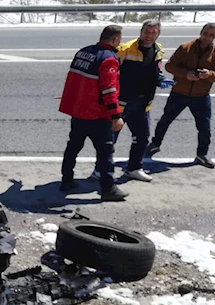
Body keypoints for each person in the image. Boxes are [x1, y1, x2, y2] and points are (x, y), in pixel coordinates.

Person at [59, 24, 128, 202]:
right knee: (105, 152)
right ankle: (108, 189)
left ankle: (66, 180)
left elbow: (75, 80)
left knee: (73, 146)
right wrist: (116, 116)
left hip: (78, 110)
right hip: (97, 114)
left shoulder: (83, 52)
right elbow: (109, 90)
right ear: (115, 39)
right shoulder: (109, 59)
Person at [145, 22, 215, 168]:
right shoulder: (185, 48)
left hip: (201, 96)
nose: (207, 37)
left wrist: (209, 74)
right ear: (201, 32)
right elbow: (169, 65)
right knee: (165, 120)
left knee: (204, 127)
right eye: (205, 33)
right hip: (179, 93)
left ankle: (201, 155)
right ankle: (155, 144)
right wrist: (186, 74)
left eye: (211, 35)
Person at [112, 19, 165, 182]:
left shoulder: (158, 49)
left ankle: (134, 168)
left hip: (143, 103)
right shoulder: (125, 49)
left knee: (141, 138)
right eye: (147, 31)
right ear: (141, 31)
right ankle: (100, 171)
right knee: (110, 138)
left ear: (158, 33)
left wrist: (161, 80)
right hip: (122, 103)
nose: (149, 35)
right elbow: (110, 73)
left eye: (153, 32)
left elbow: (156, 71)